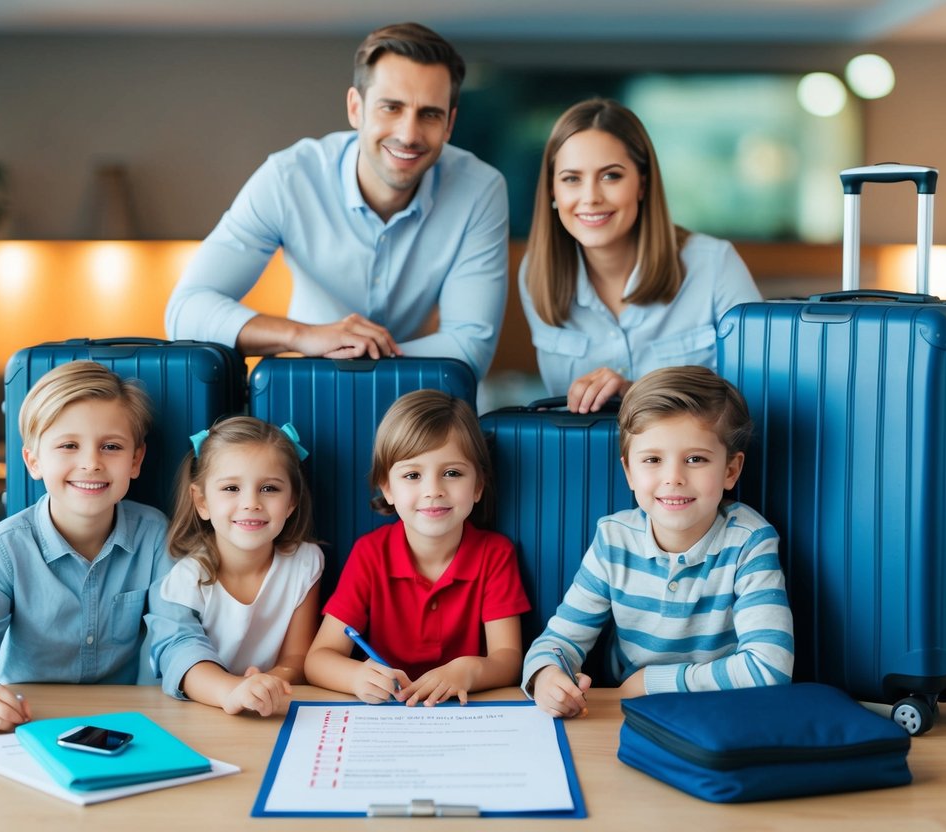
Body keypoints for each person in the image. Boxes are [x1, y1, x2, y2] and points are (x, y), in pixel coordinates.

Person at [165, 22, 509, 380]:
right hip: (309, 390)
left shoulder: (479, 191)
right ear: (355, 108)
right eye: (391, 108)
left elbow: (471, 347)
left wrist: (358, 354)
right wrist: (305, 336)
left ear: (450, 123)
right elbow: (186, 312)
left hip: (422, 407)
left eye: (430, 114)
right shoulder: (289, 178)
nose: (409, 134)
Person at [524, 365, 793, 718]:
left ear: (730, 470)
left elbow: (770, 668)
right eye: (652, 460)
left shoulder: (749, 542)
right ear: (629, 472)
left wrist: (652, 682)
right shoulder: (614, 540)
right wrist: (546, 676)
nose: (673, 478)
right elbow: (559, 640)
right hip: (631, 714)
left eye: (695, 459)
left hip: (725, 714)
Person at [0, 361, 171, 734]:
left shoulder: (154, 534)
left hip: (124, 717)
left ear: (135, 460)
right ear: (34, 461)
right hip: (28, 718)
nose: (91, 463)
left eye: (111, 446)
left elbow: (174, 634)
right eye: (68, 445)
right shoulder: (3, 549)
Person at [520, 98, 762, 413]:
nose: (590, 197)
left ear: (642, 184)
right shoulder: (536, 273)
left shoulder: (715, 265)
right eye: (571, 179)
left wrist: (635, 393)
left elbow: (762, 398)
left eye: (611, 176)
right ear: (553, 190)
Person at [305, 390, 529, 705]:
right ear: (387, 488)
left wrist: (467, 671)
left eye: (452, 473)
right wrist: (355, 677)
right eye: (412, 475)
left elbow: (507, 660)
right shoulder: (370, 554)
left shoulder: (495, 554)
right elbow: (318, 659)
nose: (433, 490)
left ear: (478, 486)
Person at [147, 417, 323, 716]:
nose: (251, 503)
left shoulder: (305, 563)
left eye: (269, 489)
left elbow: (297, 656)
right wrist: (233, 690)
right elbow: (181, 657)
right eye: (231, 488)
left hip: (268, 709)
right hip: (194, 711)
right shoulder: (184, 579)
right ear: (201, 501)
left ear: (292, 501)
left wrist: (270, 683)